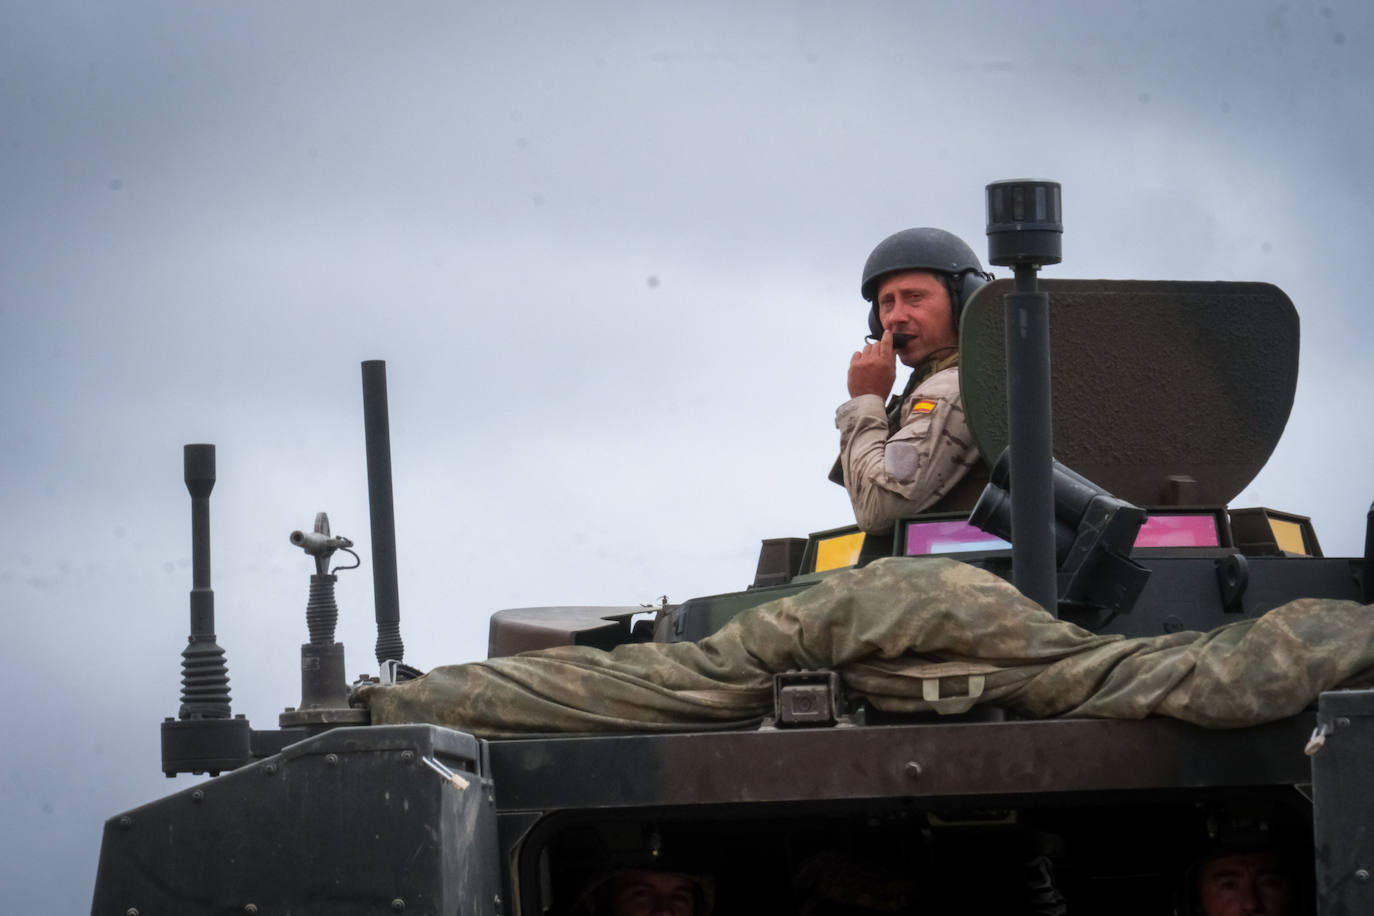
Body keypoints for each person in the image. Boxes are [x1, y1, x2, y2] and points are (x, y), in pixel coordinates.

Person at [831, 227, 994, 533]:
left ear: (965, 301)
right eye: (887, 303)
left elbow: (881, 509)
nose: (895, 317)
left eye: (914, 298)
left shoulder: (951, 389)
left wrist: (866, 401)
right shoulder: (969, 375)